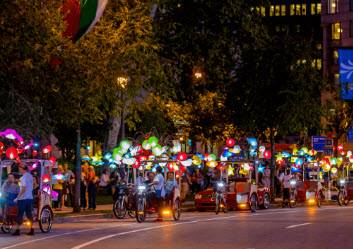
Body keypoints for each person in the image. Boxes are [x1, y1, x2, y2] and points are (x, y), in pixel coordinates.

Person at [13, 165, 34, 236]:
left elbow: (23, 189)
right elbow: (32, 185)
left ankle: (17, 230)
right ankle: (32, 229)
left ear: (23, 169)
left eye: (20, 169)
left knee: (20, 214)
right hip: (29, 198)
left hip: (23, 199)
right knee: (29, 214)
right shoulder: (30, 176)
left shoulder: (24, 178)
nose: (19, 170)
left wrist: (17, 198)